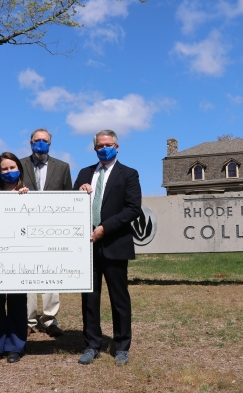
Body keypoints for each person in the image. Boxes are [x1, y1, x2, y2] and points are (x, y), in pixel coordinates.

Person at [73, 129, 141, 366]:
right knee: (90, 299)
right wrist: (78, 193)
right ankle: (92, 344)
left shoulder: (129, 174)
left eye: (108, 144)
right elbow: (70, 206)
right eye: (100, 146)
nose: (104, 148)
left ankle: (122, 346)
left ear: (117, 146)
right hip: (87, 246)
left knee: (119, 298)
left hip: (114, 243)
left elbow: (133, 209)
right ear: (95, 149)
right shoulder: (84, 173)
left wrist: (104, 228)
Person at [19, 128, 72, 338]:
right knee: (27, 275)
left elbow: (69, 198)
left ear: (50, 143)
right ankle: (29, 320)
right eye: (37, 140)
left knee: (52, 274)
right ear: (30, 142)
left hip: (53, 230)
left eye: (45, 141)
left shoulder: (63, 167)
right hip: (25, 228)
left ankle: (49, 319)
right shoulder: (20, 165)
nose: (40, 144)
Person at [0, 152, 30, 363]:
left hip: (20, 256)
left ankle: (15, 346)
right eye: (4, 169)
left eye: (12, 168)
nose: (8, 172)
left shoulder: (31, 193)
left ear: (19, 169)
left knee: (18, 303)